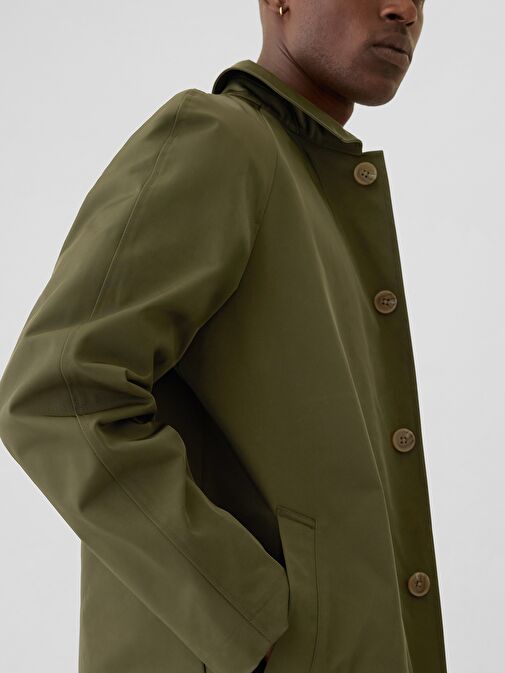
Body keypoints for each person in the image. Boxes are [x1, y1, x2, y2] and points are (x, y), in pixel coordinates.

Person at [0, 1, 447, 672]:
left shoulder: (312, 185)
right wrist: (245, 613)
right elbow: (57, 391)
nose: (403, 10)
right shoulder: (221, 139)